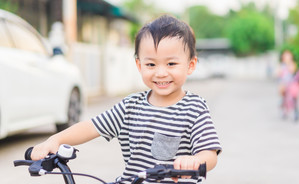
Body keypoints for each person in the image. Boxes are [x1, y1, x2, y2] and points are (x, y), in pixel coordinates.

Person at [30, 14, 222, 183]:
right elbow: (91, 126)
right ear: (139, 65)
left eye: (171, 63)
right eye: (151, 64)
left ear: (190, 65)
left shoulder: (194, 108)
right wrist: (54, 140)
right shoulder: (130, 106)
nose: (161, 73)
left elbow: (209, 153)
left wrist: (196, 161)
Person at [277, 49, 299, 121]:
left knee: (294, 98)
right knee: (283, 97)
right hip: (283, 83)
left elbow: (292, 70)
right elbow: (278, 73)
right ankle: (283, 110)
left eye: (288, 56)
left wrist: (288, 63)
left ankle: (296, 112)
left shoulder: (292, 63)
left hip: (291, 83)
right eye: (285, 56)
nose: (287, 57)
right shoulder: (281, 64)